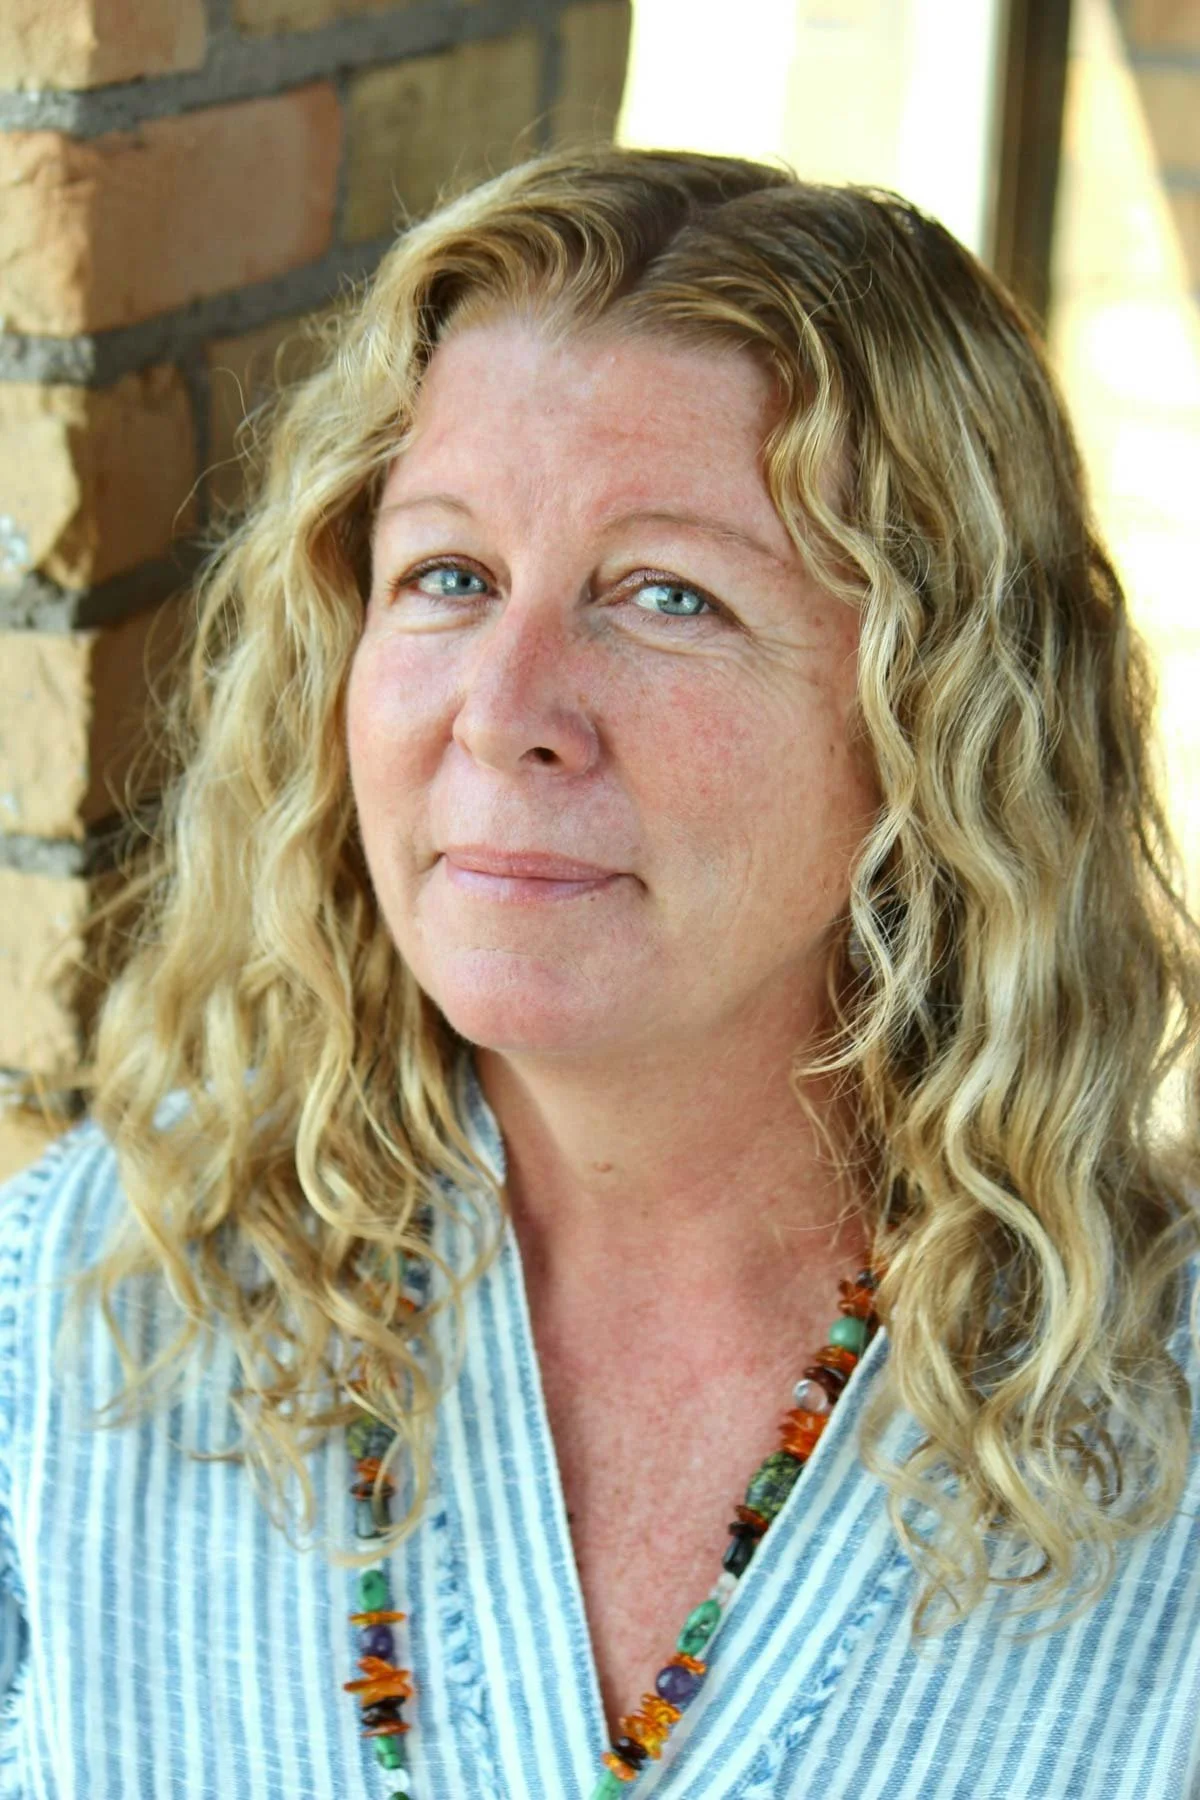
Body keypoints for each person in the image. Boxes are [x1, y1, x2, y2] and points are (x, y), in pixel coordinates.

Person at [0, 144, 1197, 1800]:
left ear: (946, 727)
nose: (504, 705)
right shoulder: (96, 1302)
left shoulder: (1164, 1439)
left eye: (668, 594)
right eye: (450, 575)